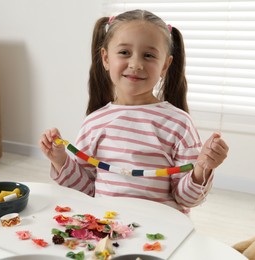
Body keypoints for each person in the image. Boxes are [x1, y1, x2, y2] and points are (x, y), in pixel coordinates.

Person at [39, 9, 228, 214]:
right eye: (124, 52)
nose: (136, 64)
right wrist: (60, 160)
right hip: (106, 230)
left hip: (161, 234)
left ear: (165, 65)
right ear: (105, 58)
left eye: (148, 55)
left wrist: (202, 168)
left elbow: (186, 199)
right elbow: (86, 189)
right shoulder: (94, 123)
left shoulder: (179, 124)